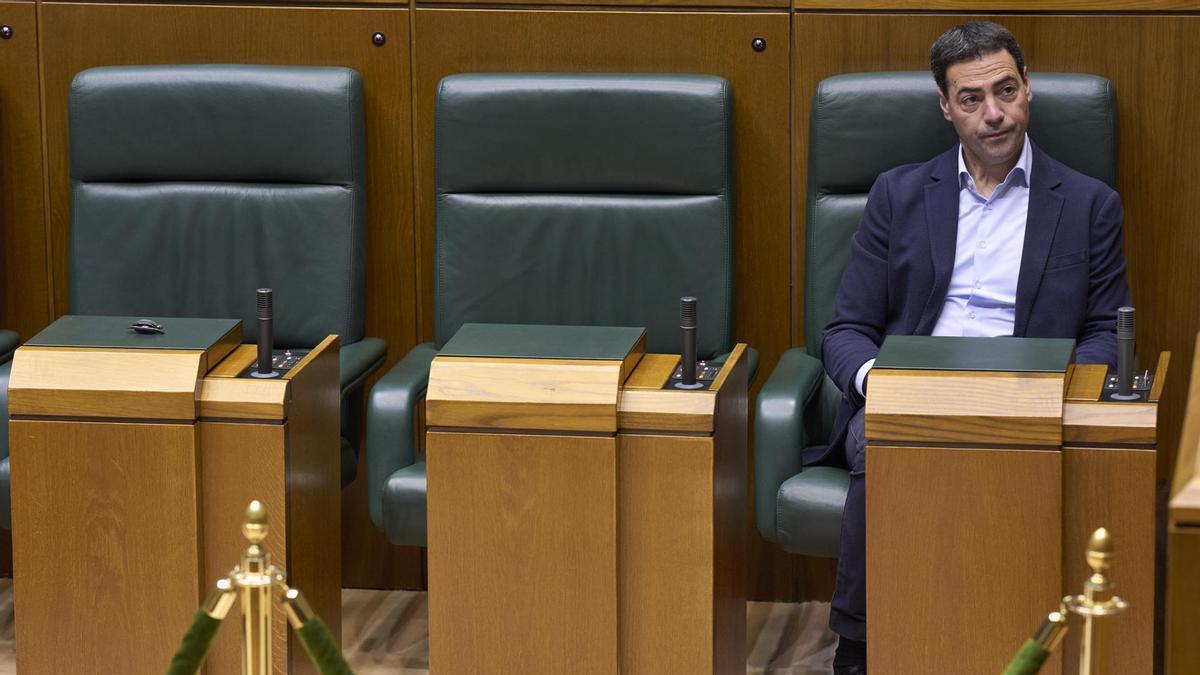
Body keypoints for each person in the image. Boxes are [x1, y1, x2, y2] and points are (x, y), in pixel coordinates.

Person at [819, 21, 1130, 675]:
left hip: (1027, 397)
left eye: (1006, 90)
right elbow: (845, 330)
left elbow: (1106, 330)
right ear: (945, 106)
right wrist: (884, 382)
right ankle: (860, 644)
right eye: (971, 98)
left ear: (1028, 90)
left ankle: (1030, 640)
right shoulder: (899, 195)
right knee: (882, 442)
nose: (994, 113)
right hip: (909, 392)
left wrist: (1057, 392)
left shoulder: (1088, 204)